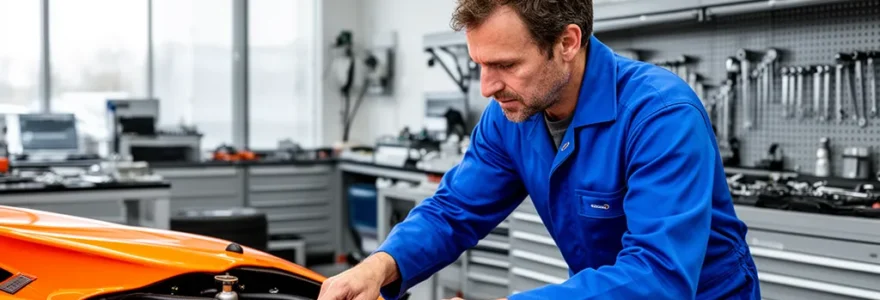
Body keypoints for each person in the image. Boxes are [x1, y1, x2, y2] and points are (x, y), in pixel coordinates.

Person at [317, 0, 761, 299]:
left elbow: (658, 274)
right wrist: (380, 265)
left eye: (505, 65)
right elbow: (453, 211)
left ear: (567, 43)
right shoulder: (510, 115)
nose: (487, 87)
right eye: (480, 65)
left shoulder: (661, 115)